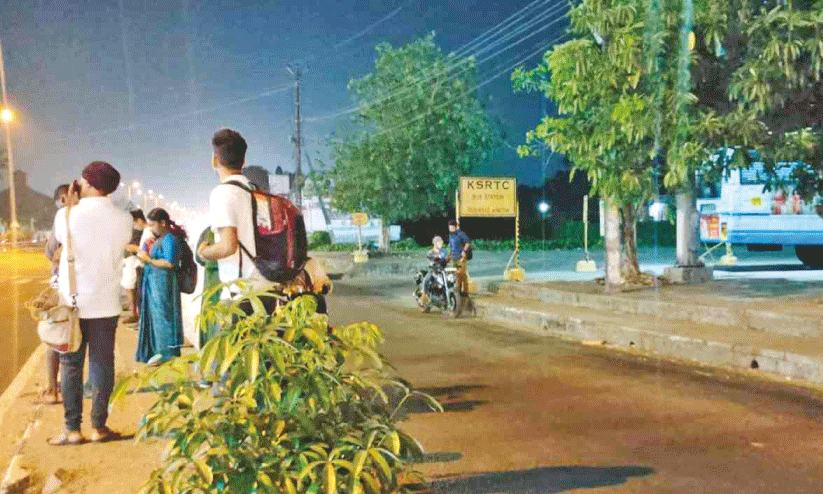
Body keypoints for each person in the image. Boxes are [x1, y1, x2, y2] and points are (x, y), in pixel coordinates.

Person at [48, 162, 132, 446]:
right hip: (106, 304)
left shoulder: (65, 215)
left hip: (72, 304)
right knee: (102, 365)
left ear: (88, 184)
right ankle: (99, 427)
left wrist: (70, 206)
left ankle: (72, 430)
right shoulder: (124, 219)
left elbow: (56, 245)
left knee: (70, 364)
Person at [197, 128, 277, 314]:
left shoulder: (222, 192)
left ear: (215, 160)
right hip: (267, 287)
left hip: (242, 293)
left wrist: (204, 253)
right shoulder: (255, 192)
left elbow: (227, 246)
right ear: (244, 161)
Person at [135, 208, 185, 365]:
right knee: (155, 318)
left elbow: (170, 263)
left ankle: (166, 353)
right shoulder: (160, 238)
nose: (150, 228)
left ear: (163, 223)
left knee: (164, 317)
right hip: (154, 282)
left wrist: (149, 260)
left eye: (152, 224)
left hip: (164, 284)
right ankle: (157, 351)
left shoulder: (169, 239)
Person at [40, 184, 70, 405]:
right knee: (69, 342)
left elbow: (50, 252)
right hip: (79, 290)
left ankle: (53, 389)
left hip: (63, 288)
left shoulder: (63, 217)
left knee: (54, 341)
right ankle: (61, 386)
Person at [120, 209, 147, 324]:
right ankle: (134, 312)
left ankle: (133, 314)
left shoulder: (142, 231)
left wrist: (128, 246)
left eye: (133, 222)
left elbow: (136, 248)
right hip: (130, 261)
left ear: (140, 220)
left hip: (133, 260)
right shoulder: (140, 230)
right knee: (130, 287)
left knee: (130, 286)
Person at [448, 220, 471, 296]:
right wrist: (449, 257)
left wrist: (464, 252)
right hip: (454, 257)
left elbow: (467, 243)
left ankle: (465, 291)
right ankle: (459, 291)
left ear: (455, 226)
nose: (451, 228)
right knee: (456, 275)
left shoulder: (460, 233)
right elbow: (450, 247)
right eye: (450, 227)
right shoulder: (451, 235)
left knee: (462, 274)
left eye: (452, 227)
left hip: (461, 257)